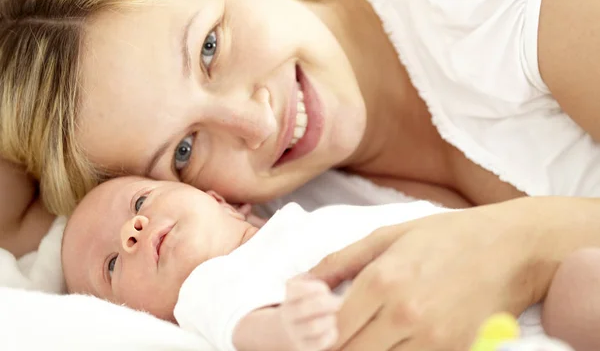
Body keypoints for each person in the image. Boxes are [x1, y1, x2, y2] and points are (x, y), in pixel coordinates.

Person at [2, 0, 600, 349]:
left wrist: (522, 246)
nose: (256, 121)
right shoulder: (292, 222)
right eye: (184, 150)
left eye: (210, 46)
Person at [62, 176, 577, 351]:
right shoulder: (206, 288)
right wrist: (288, 328)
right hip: (455, 330)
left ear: (217, 198)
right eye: (110, 266)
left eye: (140, 204)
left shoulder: (298, 215)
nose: (133, 233)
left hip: (504, 284)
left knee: (582, 282)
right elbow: (247, 331)